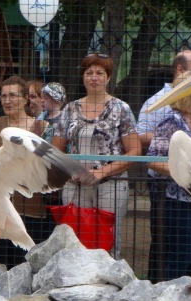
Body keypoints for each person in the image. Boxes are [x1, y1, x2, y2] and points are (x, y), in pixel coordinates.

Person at [52, 52, 140, 260]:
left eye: (100, 73)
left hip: (112, 184)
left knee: (107, 242)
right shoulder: (70, 110)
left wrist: (101, 173)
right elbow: (56, 149)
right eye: (89, 72)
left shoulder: (121, 109)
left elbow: (135, 151)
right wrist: (70, 170)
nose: (94, 77)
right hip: (75, 184)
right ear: (82, 77)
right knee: (75, 241)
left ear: (108, 77)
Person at [137, 49, 191, 282]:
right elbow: (154, 160)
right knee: (179, 255)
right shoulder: (170, 124)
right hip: (175, 199)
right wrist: (184, 171)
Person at [0, 75, 55, 267]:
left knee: (27, 266)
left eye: (13, 95)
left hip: (31, 210)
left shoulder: (43, 128)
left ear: (25, 99)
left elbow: (46, 166)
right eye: (3, 96)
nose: (7, 100)